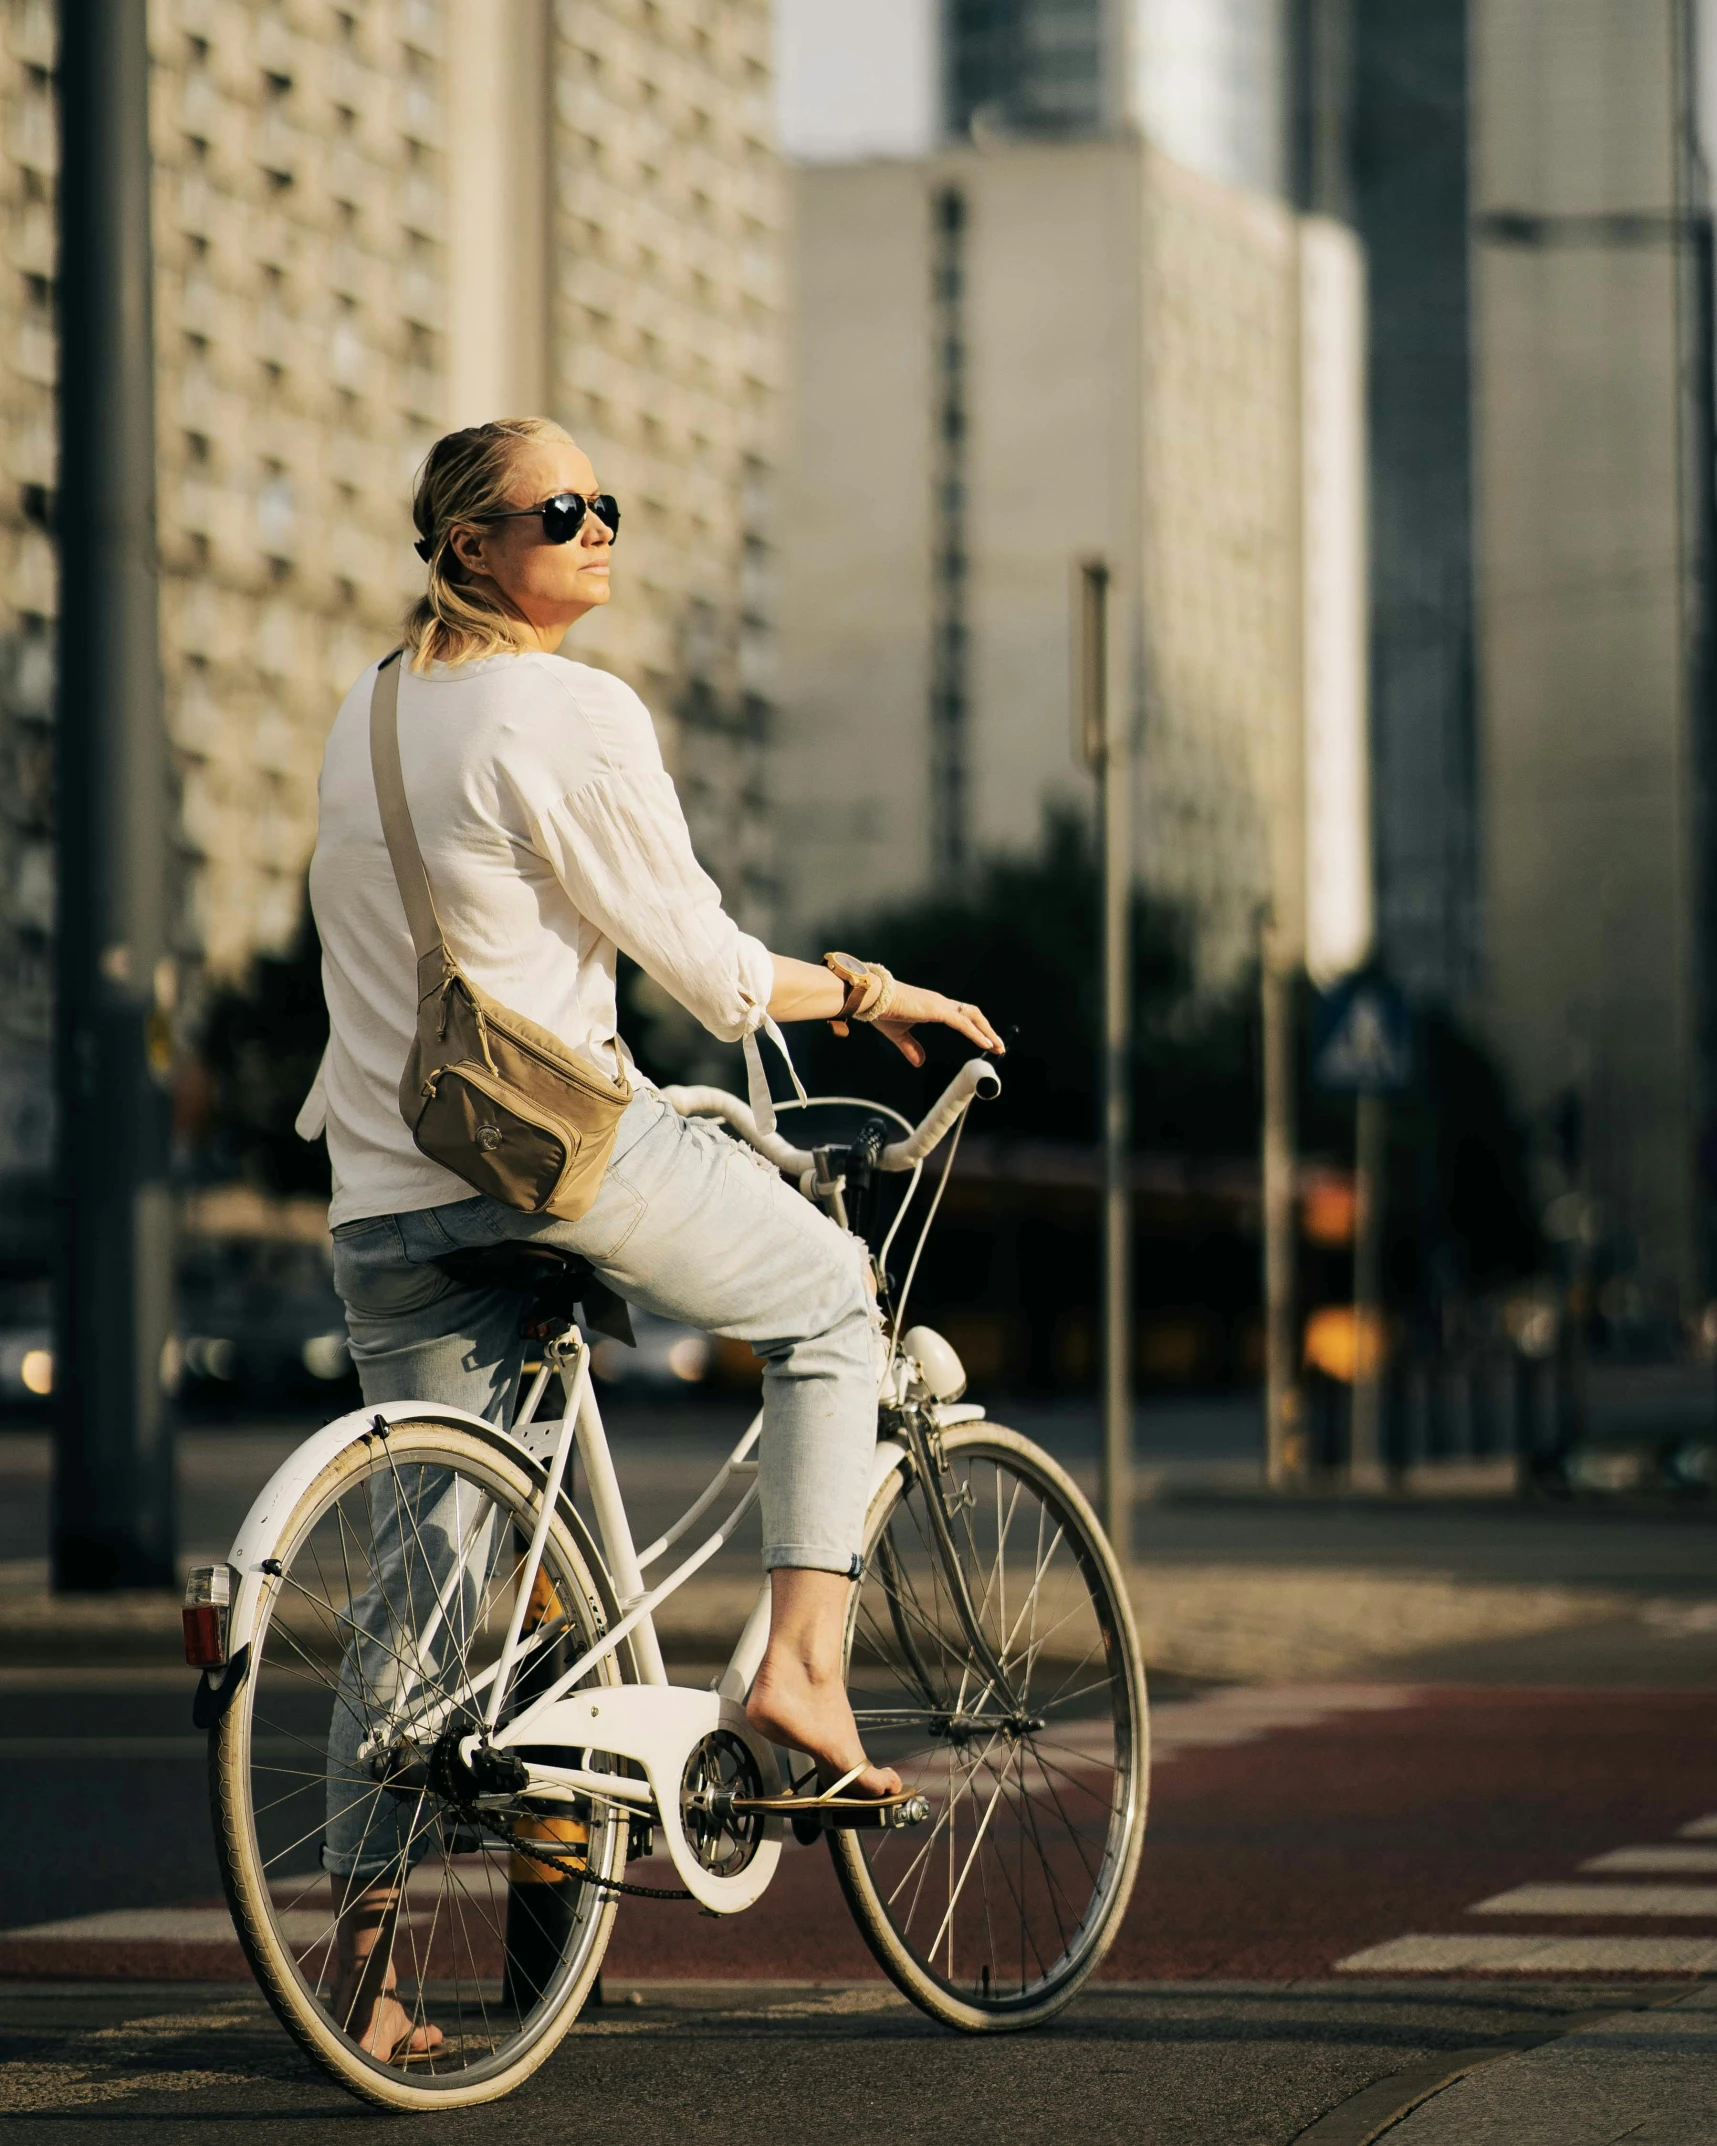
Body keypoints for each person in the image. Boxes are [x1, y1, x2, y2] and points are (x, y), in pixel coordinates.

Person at [301, 417, 1003, 2057]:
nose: (602, 523)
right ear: (477, 548)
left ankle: (366, 1983)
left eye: (611, 500)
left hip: (382, 1186)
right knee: (832, 1304)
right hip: (543, 1163)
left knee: (427, 1581)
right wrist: (875, 989)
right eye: (565, 508)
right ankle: (805, 1680)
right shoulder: (568, 705)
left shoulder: (370, 706)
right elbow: (717, 976)